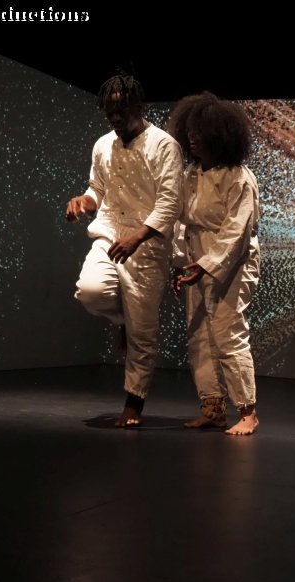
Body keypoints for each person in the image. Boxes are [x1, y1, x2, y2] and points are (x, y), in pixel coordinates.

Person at [65, 73, 183, 427]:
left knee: (143, 332)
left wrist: (138, 237)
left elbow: (170, 203)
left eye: (121, 110)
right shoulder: (103, 145)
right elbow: (97, 189)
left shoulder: (163, 145)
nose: (115, 117)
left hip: (147, 245)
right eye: (109, 111)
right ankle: (125, 322)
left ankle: (134, 403)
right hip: (110, 234)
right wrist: (84, 202)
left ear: (138, 106)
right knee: (90, 291)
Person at [167, 92, 261, 435]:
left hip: (231, 263)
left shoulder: (238, 178)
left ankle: (248, 411)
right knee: (199, 335)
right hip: (197, 259)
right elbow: (180, 223)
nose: (193, 137)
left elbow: (237, 231)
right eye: (191, 130)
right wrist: (181, 262)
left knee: (227, 332)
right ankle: (213, 408)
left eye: (201, 131)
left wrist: (207, 265)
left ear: (219, 135)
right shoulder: (190, 175)